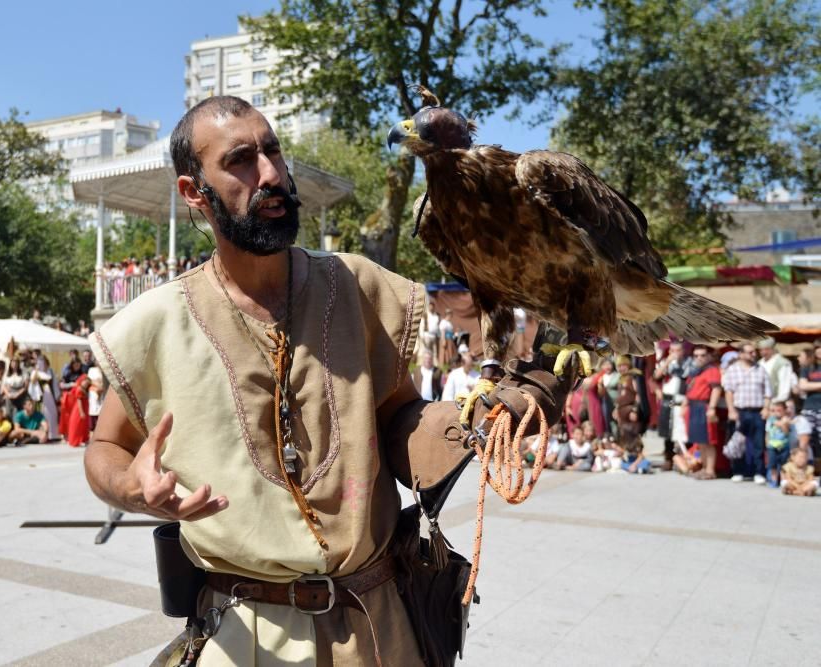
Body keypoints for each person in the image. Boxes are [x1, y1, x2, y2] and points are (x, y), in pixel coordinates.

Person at [82, 96, 570, 666]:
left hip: (377, 625)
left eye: (273, 151)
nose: (269, 174)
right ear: (194, 192)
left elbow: (399, 417)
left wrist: (470, 424)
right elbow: (105, 447)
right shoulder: (156, 321)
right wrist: (131, 489)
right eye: (241, 160)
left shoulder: (359, 286)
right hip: (241, 630)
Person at [723, 342, 772, 485]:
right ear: (741, 354)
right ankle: (738, 471)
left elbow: (768, 392)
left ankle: (758, 472)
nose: (754, 354)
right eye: (750, 352)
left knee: (758, 443)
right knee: (738, 442)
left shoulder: (760, 370)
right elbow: (729, 392)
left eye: (754, 352)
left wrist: (766, 408)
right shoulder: (732, 370)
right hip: (740, 411)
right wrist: (731, 410)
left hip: (757, 411)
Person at [683, 345, 723, 480]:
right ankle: (705, 468)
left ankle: (710, 470)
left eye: (702, 355)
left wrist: (711, 408)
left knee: (709, 441)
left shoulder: (712, 370)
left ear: (709, 356)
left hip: (704, 407)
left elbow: (716, 390)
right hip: (694, 406)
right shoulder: (697, 371)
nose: (699, 358)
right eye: (696, 355)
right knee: (700, 441)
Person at [653, 341, 693, 471]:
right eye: (672, 350)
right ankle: (668, 459)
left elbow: (690, 377)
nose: (675, 353)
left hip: (683, 399)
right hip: (668, 400)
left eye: (678, 350)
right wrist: (667, 362)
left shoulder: (689, 362)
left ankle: (686, 459)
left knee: (684, 432)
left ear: (683, 351)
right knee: (667, 433)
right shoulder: (665, 362)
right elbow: (656, 376)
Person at [28, 355, 60, 441]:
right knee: (43, 415)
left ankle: (53, 435)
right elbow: (32, 382)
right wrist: (37, 371)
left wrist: (57, 396)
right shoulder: (35, 372)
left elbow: (55, 384)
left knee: (52, 415)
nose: (42, 364)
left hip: (50, 397)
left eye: (44, 363)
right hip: (41, 398)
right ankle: (42, 435)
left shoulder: (50, 371)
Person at [757, 337, 795, 405]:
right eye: (761, 350)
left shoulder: (783, 363)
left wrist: (776, 402)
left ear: (773, 349)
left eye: (766, 349)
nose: (763, 352)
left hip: (777, 404)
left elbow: (784, 387)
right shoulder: (759, 363)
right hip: (761, 403)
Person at [66, 375, 91, 447]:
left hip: (83, 410)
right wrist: (81, 412)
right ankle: (75, 440)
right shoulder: (79, 389)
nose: (86, 385)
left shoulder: (83, 389)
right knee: (77, 425)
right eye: (85, 383)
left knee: (83, 425)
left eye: (87, 384)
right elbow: (79, 401)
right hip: (79, 410)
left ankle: (83, 439)